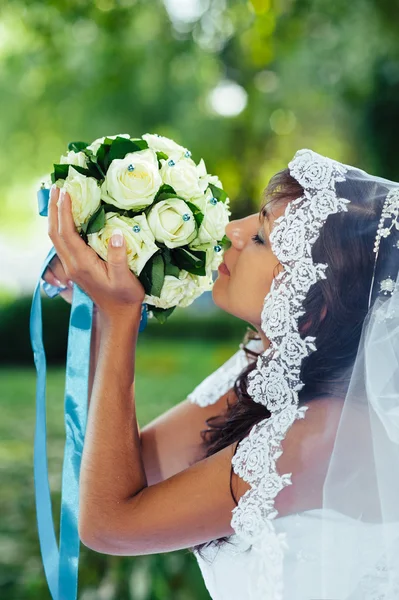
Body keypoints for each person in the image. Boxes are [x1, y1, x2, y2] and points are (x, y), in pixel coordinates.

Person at [44, 148, 399, 599]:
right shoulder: (264, 373)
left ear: (313, 309)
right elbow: (129, 471)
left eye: (262, 239)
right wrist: (101, 307)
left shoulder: (323, 434)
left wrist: (120, 320)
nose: (234, 229)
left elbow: (109, 525)